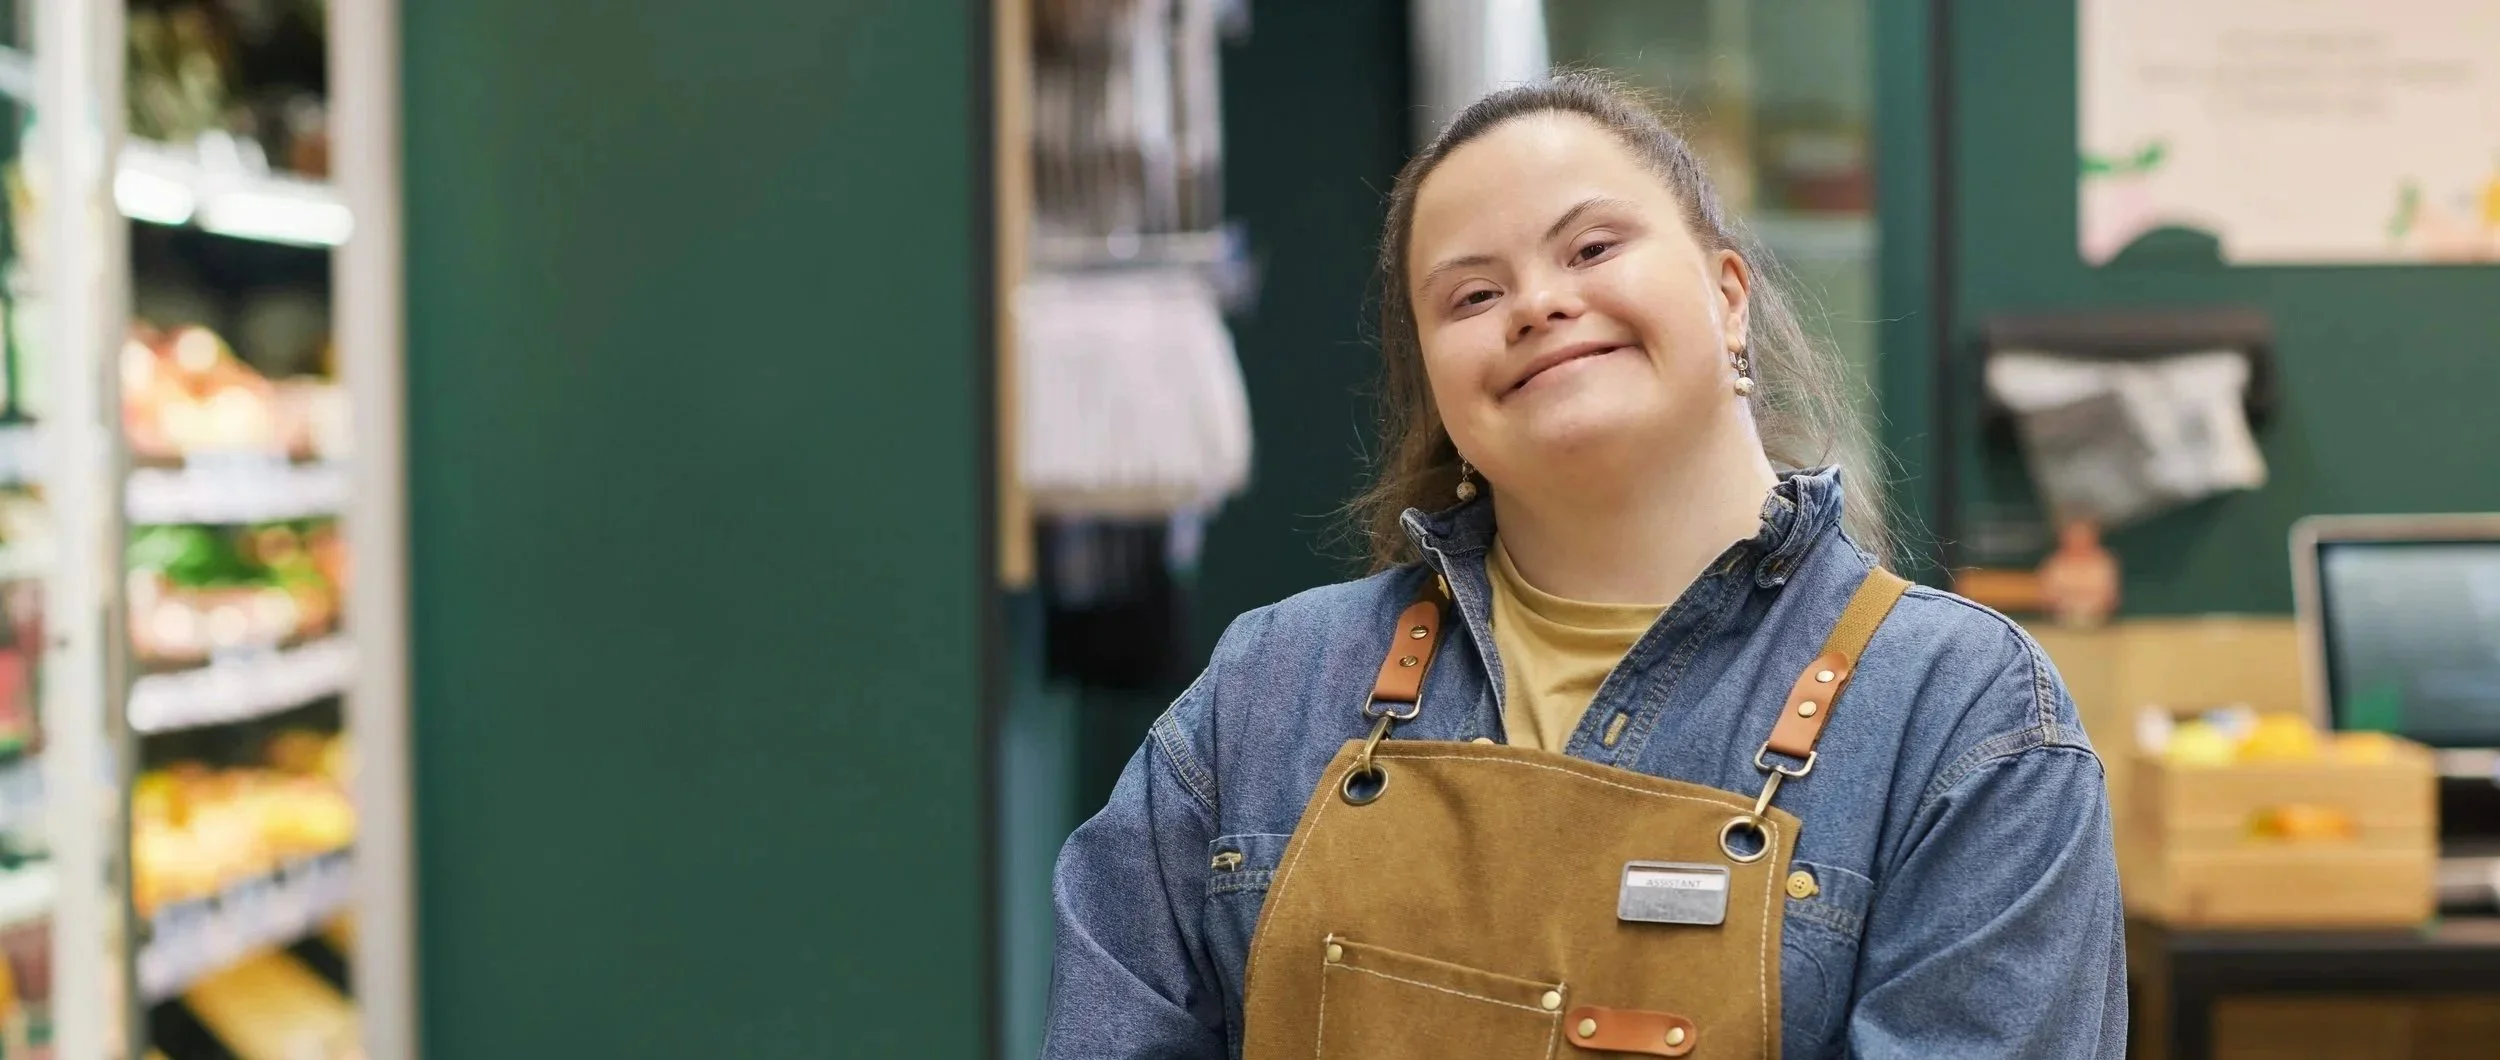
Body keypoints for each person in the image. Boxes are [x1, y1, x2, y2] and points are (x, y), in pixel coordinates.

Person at [1042, 73, 2125, 1060]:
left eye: (1593, 248)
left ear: (1729, 294)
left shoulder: (1965, 719)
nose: (1537, 304)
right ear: (1435, 383)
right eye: (1470, 296)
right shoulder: (1268, 687)